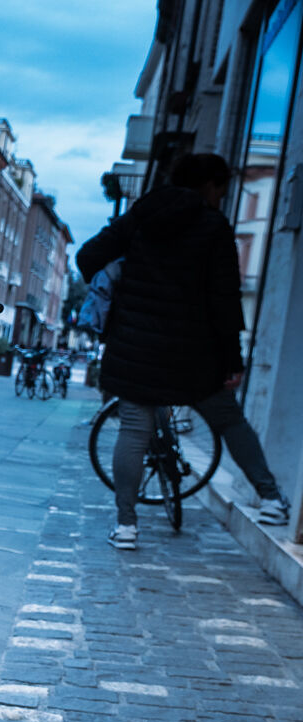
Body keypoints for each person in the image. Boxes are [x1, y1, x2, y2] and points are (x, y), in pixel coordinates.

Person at [77, 152, 290, 550]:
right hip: (195, 352)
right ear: (210, 186)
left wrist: (125, 285)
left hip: (136, 346)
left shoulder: (140, 218)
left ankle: (126, 525)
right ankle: (272, 499)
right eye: (222, 189)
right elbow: (224, 300)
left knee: (134, 430)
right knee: (228, 420)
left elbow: (88, 257)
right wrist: (233, 359)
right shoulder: (214, 227)